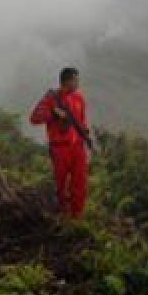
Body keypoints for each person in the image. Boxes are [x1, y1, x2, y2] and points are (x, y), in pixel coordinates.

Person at [29, 66, 90, 218]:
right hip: (60, 148)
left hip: (77, 148)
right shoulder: (52, 98)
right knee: (61, 185)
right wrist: (53, 114)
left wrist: (84, 140)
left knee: (80, 184)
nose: (77, 83)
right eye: (75, 80)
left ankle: (77, 218)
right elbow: (34, 118)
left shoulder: (79, 98)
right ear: (67, 81)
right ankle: (63, 215)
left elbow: (82, 122)